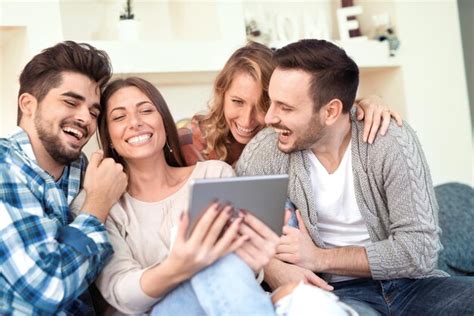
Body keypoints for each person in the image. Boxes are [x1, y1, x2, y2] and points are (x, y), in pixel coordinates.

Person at [236, 39, 474, 315]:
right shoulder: (264, 153)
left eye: (286, 108)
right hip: (339, 296)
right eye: (272, 102)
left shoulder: (390, 141)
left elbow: (419, 251)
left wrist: (317, 257)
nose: (268, 118)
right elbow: (236, 233)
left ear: (331, 111)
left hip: (414, 287)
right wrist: (275, 268)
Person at [72, 77, 279, 315]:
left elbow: (242, 269)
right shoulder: (98, 202)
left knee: (307, 300)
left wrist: (253, 260)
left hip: (225, 301)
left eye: (146, 111)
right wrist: (179, 266)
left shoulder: (213, 174)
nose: (136, 122)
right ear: (108, 136)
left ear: (163, 120)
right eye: (119, 117)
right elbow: (123, 295)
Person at [0, 41, 127, 314]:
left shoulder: (85, 171)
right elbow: (49, 286)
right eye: (71, 102)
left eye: (94, 112)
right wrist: (98, 204)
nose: (85, 118)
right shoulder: (4, 167)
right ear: (28, 104)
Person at [179, 41, 402, 167]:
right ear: (221, 93)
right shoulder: (193, 141)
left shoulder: (287, 134)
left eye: (263, 104)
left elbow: (318, 103)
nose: (247, 119)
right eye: (237, 101)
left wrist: (369, 102)